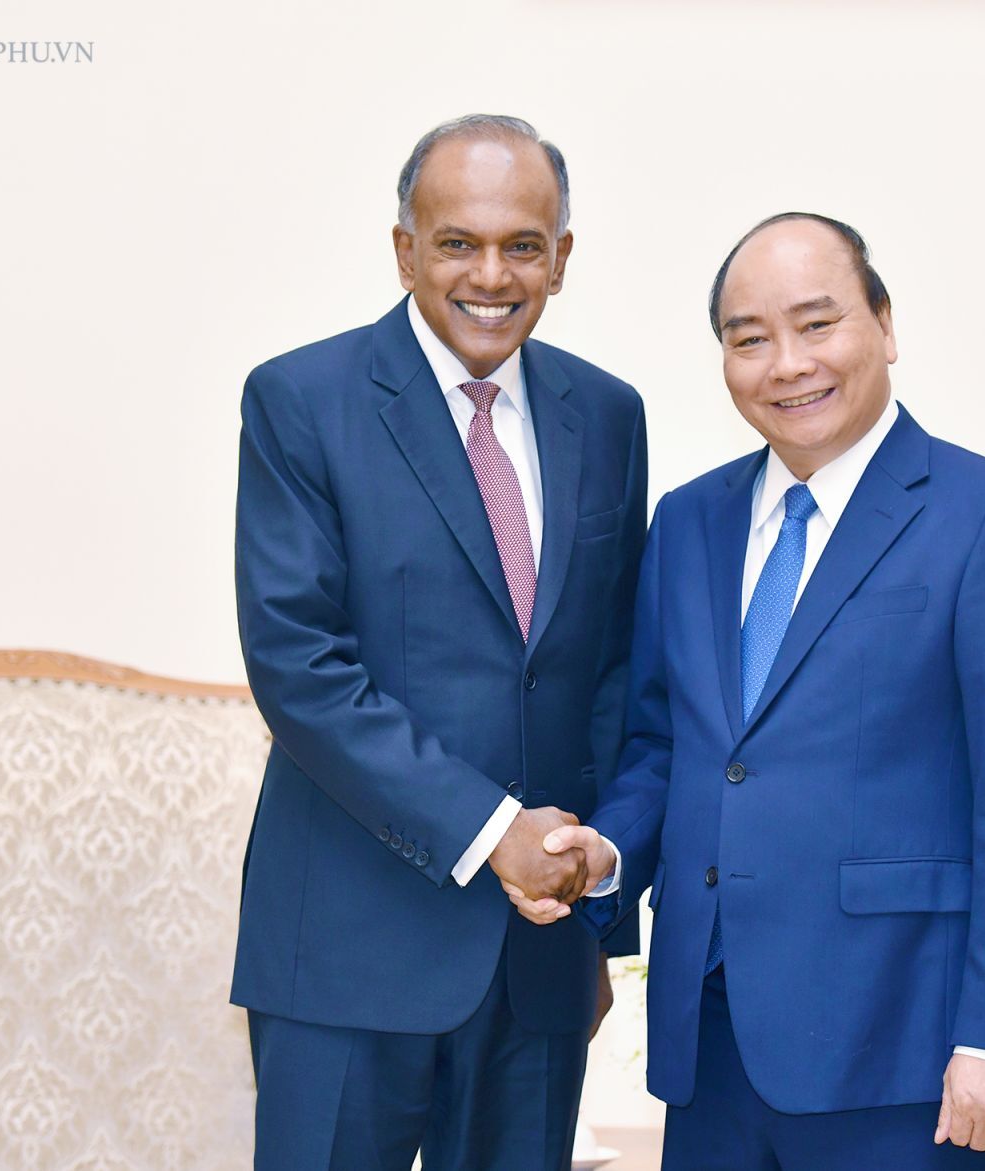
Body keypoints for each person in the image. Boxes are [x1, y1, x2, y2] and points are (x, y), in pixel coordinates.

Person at [508, 213, 985, 1168]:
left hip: (907, 1051)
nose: (787, 364)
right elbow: (666, 748)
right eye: (749, 339)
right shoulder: (688, 522)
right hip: (712, 1043)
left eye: (818, 324)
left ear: (885, 325)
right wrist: (606, 852)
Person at [231, 114, 647, 1171]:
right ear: (405, 250)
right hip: (346, 952)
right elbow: (300, 668)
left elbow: (609, 674)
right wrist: (493, 831)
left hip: (538, 955)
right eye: (458, 242)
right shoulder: (300, 401)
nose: (491, 275)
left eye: (522, 245)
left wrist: (595, 917)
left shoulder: (608, 414)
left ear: (562, 257)